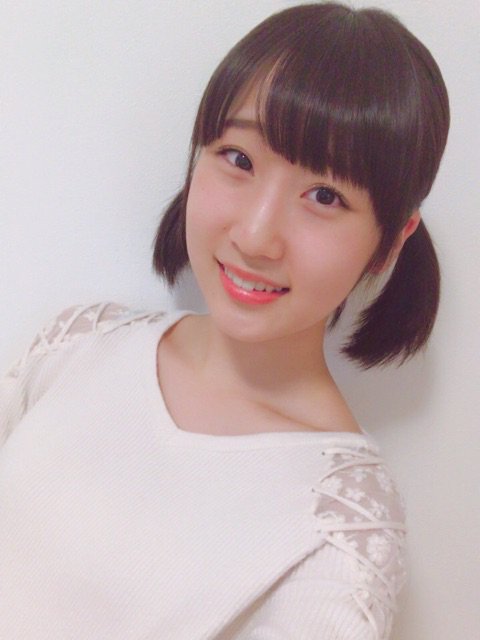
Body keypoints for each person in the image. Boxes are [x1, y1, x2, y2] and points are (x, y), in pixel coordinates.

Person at [0, 3, 449, 639]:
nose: (256, 235)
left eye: (325, 196)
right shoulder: (79, 343)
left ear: (391, 241)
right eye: (238, 159)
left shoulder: (338, 532)